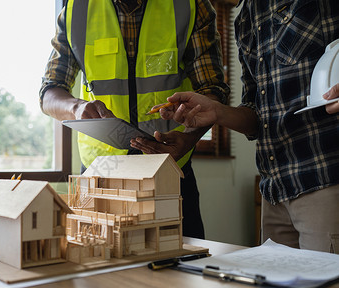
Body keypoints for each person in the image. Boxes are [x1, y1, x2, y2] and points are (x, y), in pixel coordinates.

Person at [135, 0, 339, 252]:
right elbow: (257, 117)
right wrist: (217, 113)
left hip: (325, 181)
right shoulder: (245, 20)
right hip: (274, 191)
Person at [40, 0, 230, 238]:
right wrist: (77, 107)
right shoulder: (76, 10)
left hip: (169, 174)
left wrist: (188, 138)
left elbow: (213, 91)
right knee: (96, 271)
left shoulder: (190, 6)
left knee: (180, 269)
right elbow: (49, 93)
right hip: (98, 178)